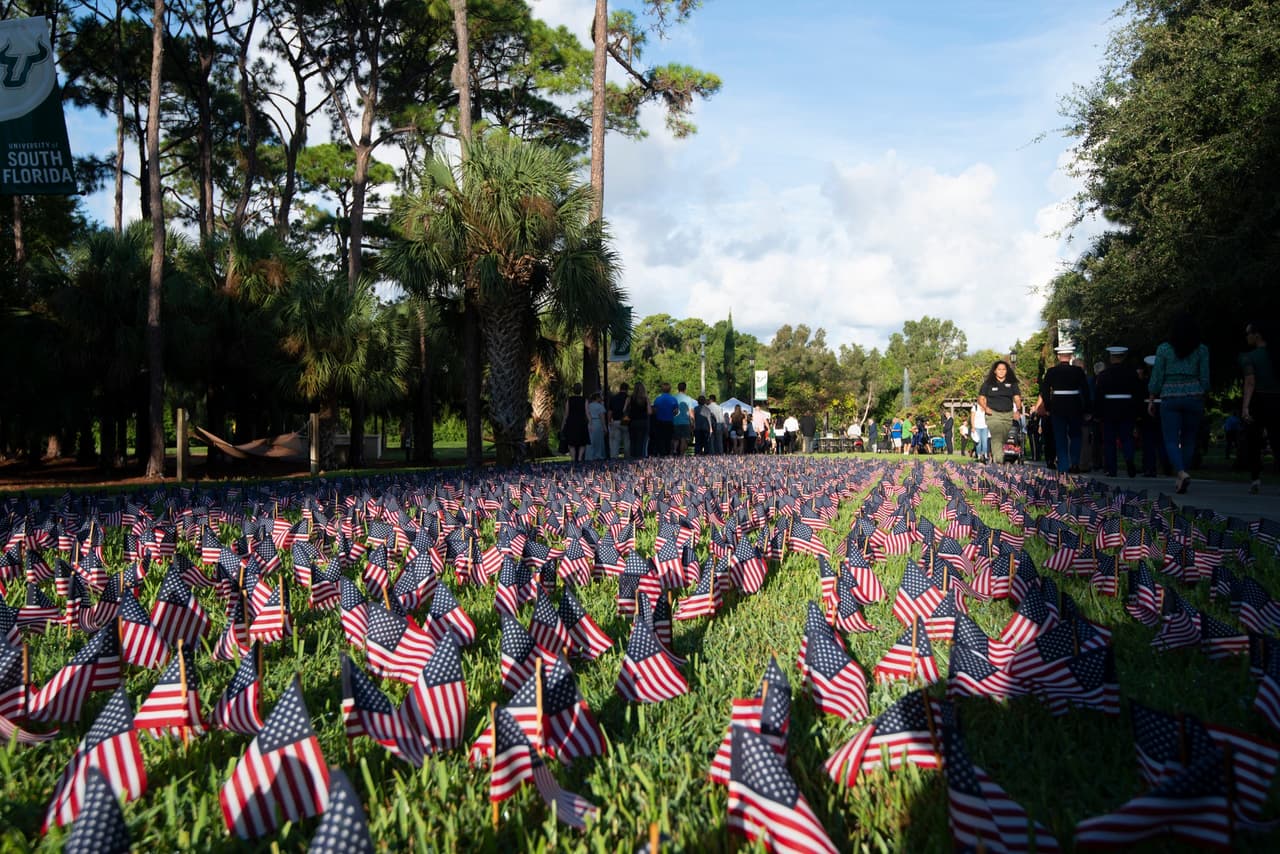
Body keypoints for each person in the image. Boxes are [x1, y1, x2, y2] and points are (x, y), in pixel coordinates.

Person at [1149, 313, 1209, 494]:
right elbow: (1205, 377)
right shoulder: (1202, 350)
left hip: (1170, 396)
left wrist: (1152, 398)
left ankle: (1181, 472)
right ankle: (1183, 473)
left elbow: (1157, 376)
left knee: (1170, 439)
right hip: (1194, 395)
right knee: (1189, 439)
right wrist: (1203, 394)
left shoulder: (1164, 349)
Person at [1036, 346, 1089, 475]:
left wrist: (1048, 407)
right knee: (1076, 435)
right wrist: (1087, 409)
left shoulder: (1051, 371)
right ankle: (1075, 463)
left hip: (1057, 406)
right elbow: (1085, 391)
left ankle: (1063, 466)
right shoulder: (1078, 371)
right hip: (1075, 406)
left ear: (1059, 356)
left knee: (1060, 437)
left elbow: (1045, 391)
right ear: (1070, 356)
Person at [1241, 321, 1280, 494]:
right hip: (1276, 400)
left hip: (1259, 400)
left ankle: (1255, 478)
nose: (1246, 336)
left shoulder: (1249, 357)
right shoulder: (1275, 355)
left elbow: (1250, 382)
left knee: (1254, 440)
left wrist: (1245, 407)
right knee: (1277, 438)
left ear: (1257, 335)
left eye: (1248, 333)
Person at [1094, 346, 1143, 477]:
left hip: (1108, 410)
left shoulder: (1104, 375)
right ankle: (1129, 462)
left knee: (1109, 441)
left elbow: (1098, 396)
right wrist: (1138, 412)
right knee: (1127, 438)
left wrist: (1097, 414)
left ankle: (1112, 468)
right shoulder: (1132, 373)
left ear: (1111, 358)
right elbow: (1138, 393)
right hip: (1127, 409)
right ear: (1123, 357)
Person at [978, 359, 1023, 466]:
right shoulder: (988, 383)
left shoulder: (1012, 384)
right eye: (999, 369)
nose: (1001, 371)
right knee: (997, 436)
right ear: (995, 371)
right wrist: (985, 408)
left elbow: (1017, 398)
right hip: (993, 414)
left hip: (1008, 414)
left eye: (1004, 369)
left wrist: (1018, 410)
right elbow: (980, 398)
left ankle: (998, 457)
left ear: (1007, 371)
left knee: (1004, 437)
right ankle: (999, 462)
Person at [562, 383, 590, 461]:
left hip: (571, 423)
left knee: (571, 443)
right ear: (581, 390)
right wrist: (590, 423)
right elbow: (587, 413)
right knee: (582, 442)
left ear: (573, 390)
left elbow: (566, 413)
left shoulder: (569, 400)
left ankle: (573, 459)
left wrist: (563, 424)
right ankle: (580, 457)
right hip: (582, 423)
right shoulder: (584, 400)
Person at [651, 382, 678, 456]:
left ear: (662, 390)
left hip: (659, 421)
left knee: (660, 438)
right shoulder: (673, 399)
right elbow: (676, 411)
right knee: (668, 438)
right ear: (670, 389)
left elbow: (654, 411)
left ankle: (661, 453)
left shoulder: (658, 399)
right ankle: (667, 453)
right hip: (669, 421)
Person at [627, 381, 650, 459]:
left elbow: (624, 410)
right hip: (643, 421)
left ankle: (633, 456)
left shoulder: (630, 398)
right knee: (642, 441)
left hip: (633, 421)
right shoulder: (646, 399)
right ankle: (640, 457)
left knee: (633, 440)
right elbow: (649, 412)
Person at [608, 382, 630, 459]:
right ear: (627, 389)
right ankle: (627, 457)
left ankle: (614, 457)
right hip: (626, 421)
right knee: (626, 440)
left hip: (616, 421)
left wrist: (609, 420)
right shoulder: (628, 398)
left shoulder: (613, 398)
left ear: (620, 388)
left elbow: (610, 411)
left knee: (615, 442)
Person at [587, 391, 608, 461]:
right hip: (598, 423)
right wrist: (605, 428)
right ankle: (598, 455)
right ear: (597, 398)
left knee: (591, 440)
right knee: (599, 440)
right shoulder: (600, 406)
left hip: (590, 423)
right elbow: (602, 418)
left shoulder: (589, 405)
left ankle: (589, 456)